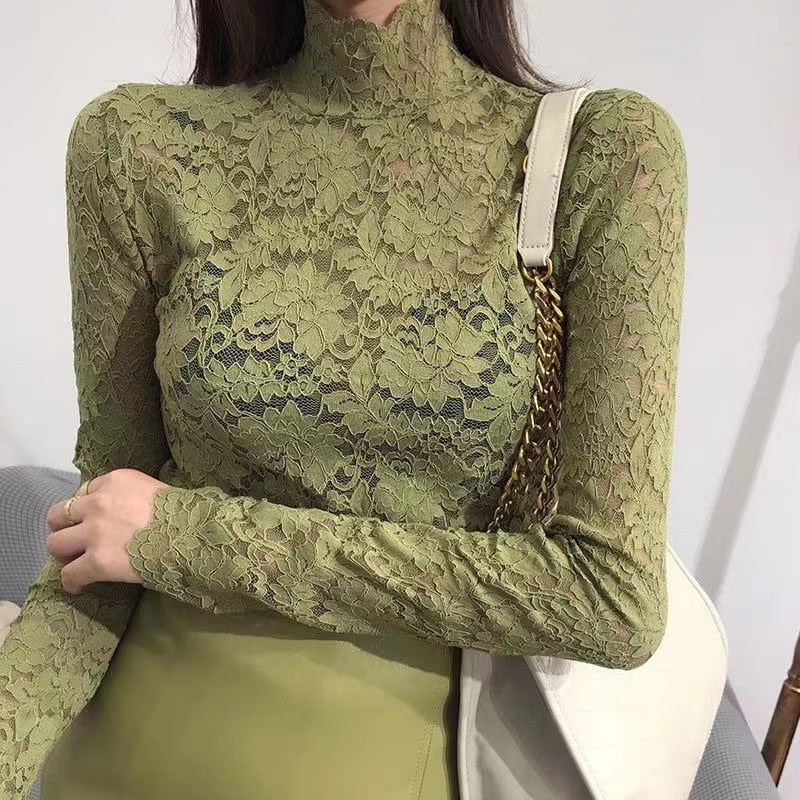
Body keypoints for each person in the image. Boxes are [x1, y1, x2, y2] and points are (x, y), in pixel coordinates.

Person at [0, 0, 688, 797]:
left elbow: (611, 599)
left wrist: (194, 539)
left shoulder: (601, 157)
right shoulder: (138, 145)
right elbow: (98, 540)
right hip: (117, 756)